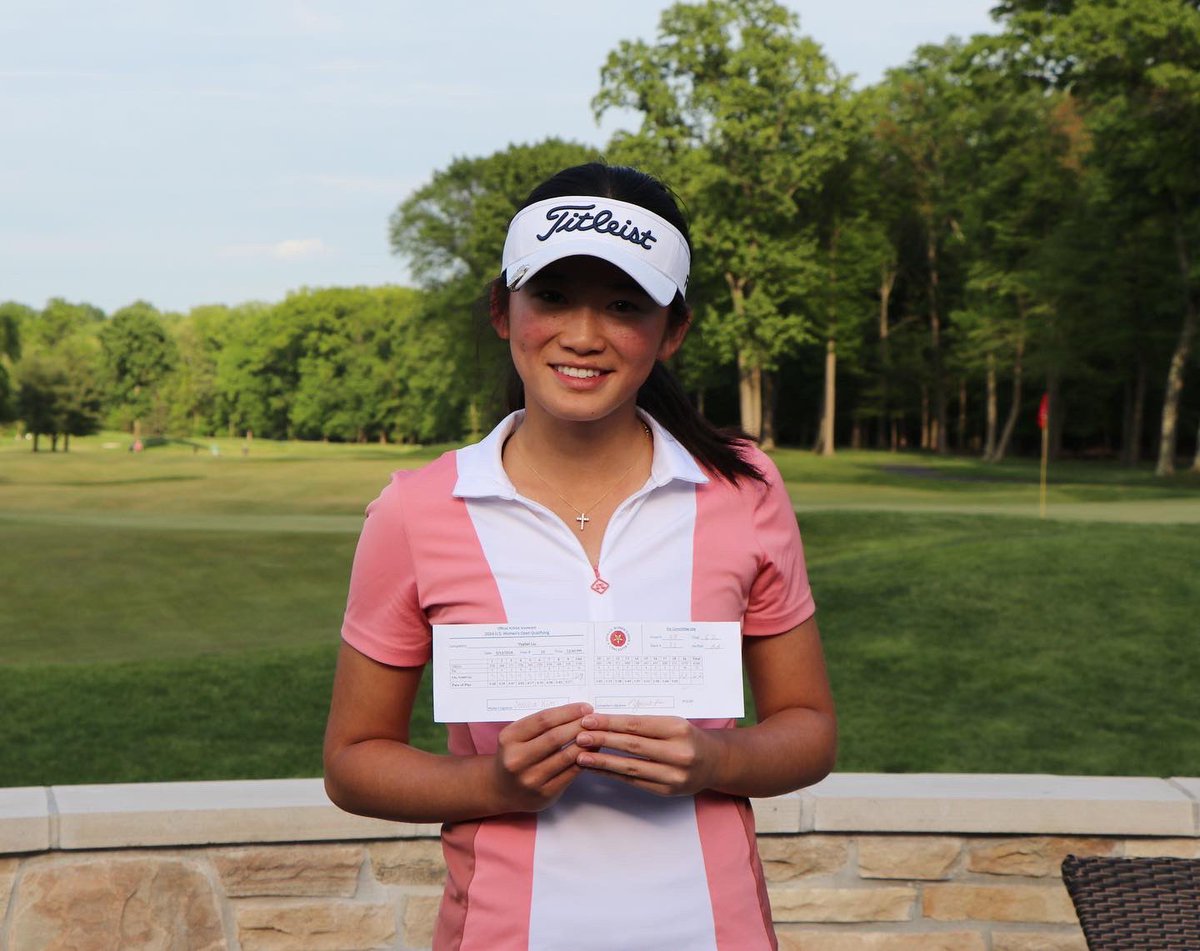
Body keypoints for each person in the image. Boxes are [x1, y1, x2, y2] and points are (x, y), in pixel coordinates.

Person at [323, 163, 837, 951]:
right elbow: (353, 762)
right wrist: (489, 782)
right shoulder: (416, 511)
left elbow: (809, 730)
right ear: (503, 309)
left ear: (673, 330)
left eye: (625, 305)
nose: (584, 335)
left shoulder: (744, 487)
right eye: (553, 296)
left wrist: (715, 758)